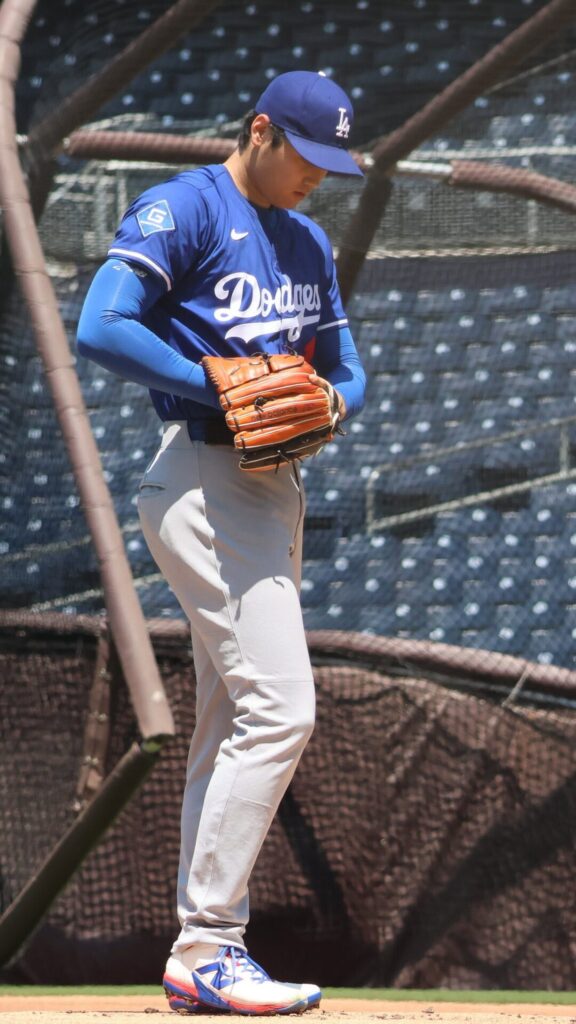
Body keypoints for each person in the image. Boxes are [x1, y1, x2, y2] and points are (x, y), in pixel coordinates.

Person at [76, 69, 366, 1016]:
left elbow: (349, 371)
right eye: (306, 156)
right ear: (261, 130)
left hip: (274, 490)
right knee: (280, 710)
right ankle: (208, 943)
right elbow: (100, 326)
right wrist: (218, 382)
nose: (316, 176)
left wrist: (329, 402)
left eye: (331, 163)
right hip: (203, 478)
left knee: (233, 718)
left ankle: (201, 957)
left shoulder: (307, 240)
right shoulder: (187, 207)